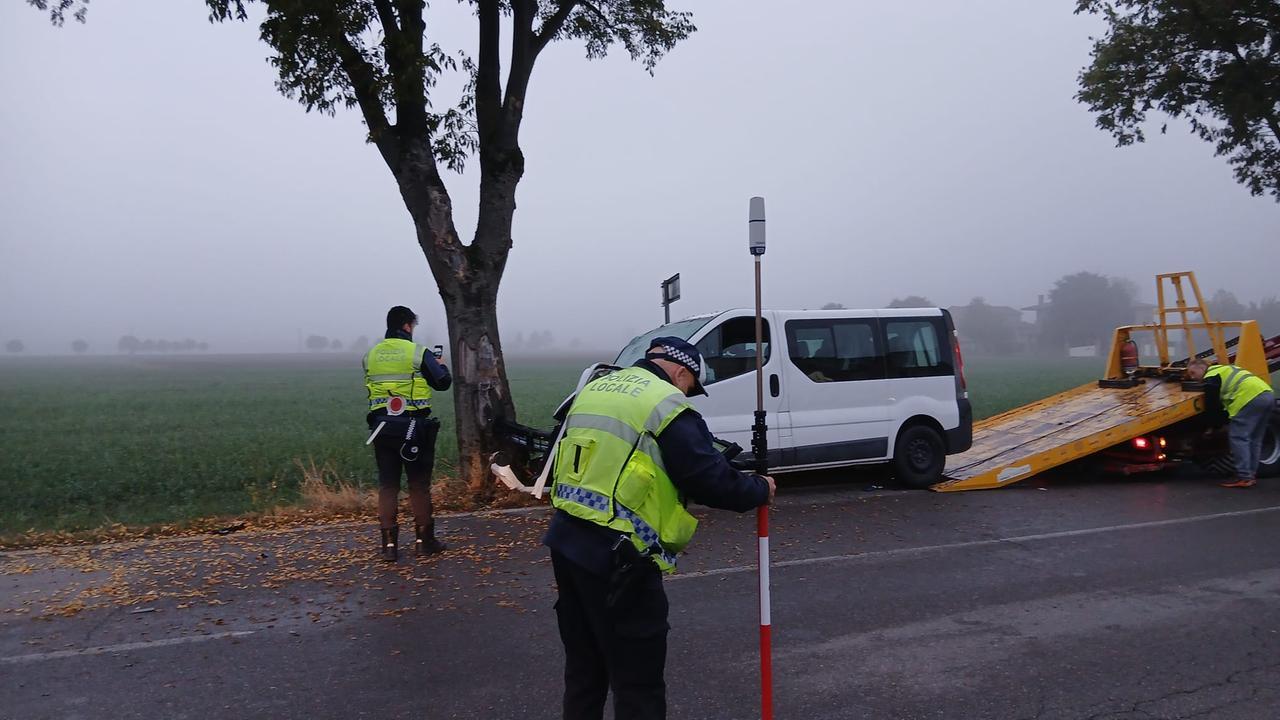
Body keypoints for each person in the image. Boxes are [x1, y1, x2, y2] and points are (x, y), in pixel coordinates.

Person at [543, 336, 776, 720]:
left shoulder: (595, 388)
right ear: (682, 372)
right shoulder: (664, 403)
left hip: (567, 544)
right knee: (638, 687)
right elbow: (707, 478)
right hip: (621, 561)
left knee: (585, 673)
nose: (688, 393)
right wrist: (758, 488)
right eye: (691, 386)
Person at [363, 305, 452, 560]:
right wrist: (440, 366)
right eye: (413, 325)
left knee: (388, 485)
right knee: (418, 484)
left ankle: (388, 546)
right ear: (406, 325)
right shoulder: (418, 353)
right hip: (414, 428)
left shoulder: (371, 355)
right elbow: (442, 383)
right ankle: (424, 541)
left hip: (382, 428)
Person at [1187, 357, 1275, 488]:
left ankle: (1244, 477)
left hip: (1249, 398)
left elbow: (1212, 406)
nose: (1192, 377)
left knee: (1238, 437)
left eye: (1193, 373)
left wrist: (1212, 426)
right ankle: (1250, 475)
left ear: (1201, 368)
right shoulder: (1224, 369)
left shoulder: (1211, 377)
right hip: (1266, 395)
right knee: (1255, 439)